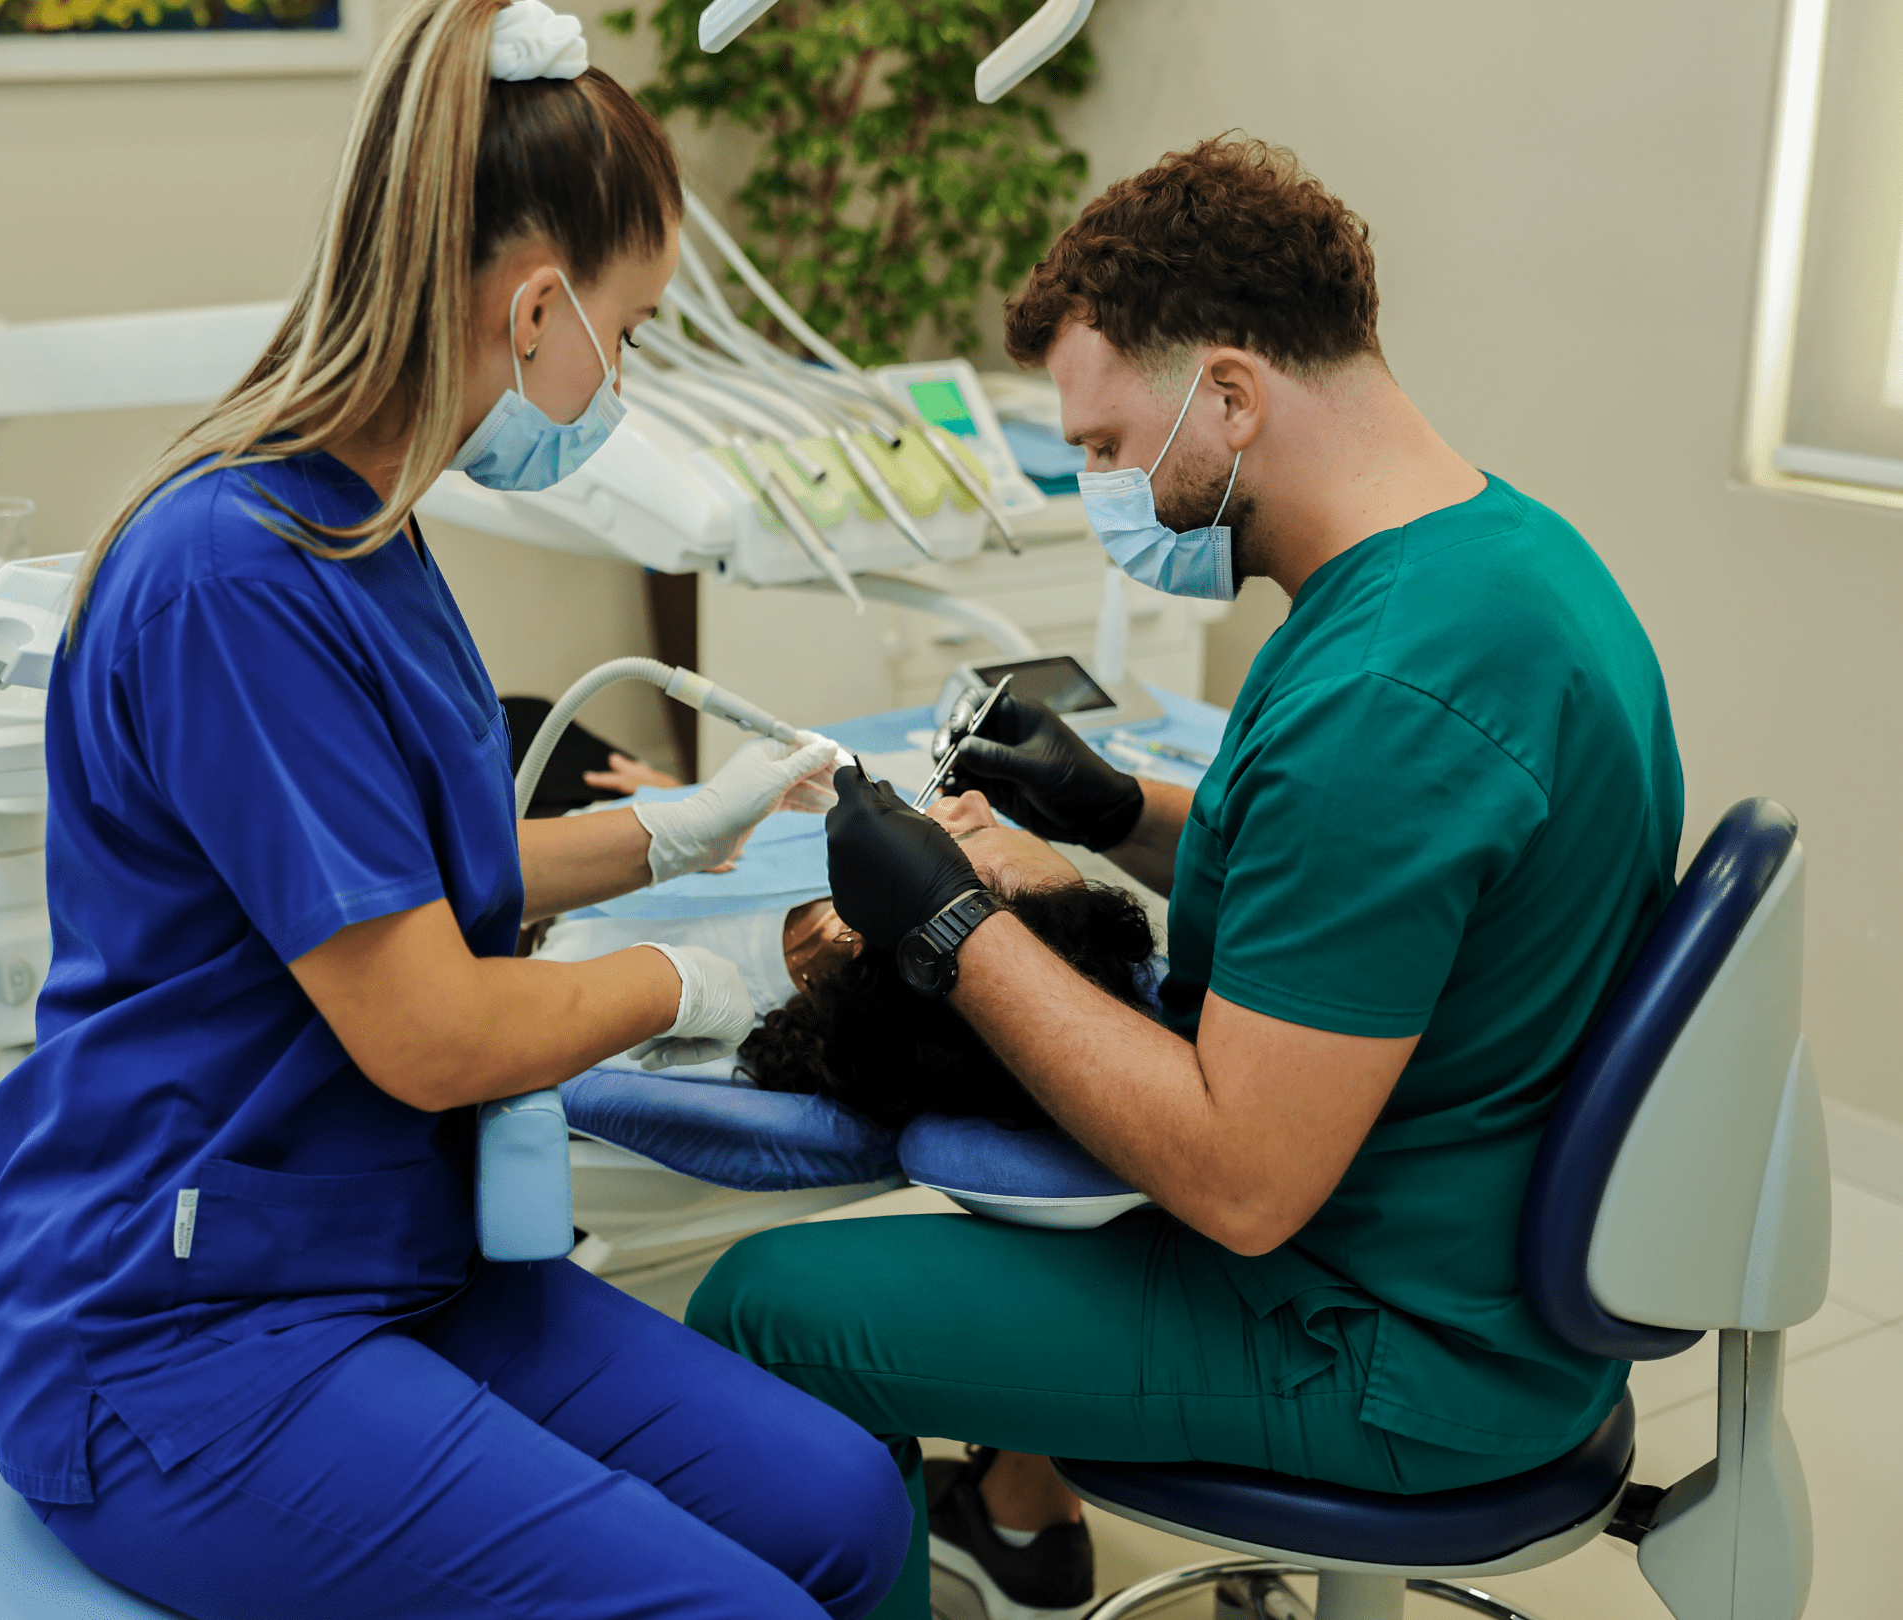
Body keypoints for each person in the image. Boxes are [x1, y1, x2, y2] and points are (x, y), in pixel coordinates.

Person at [0, 4, 909, 1617]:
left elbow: (386, 876)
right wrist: (708, 977)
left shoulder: (366, 523)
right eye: (637, 328)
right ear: (539, 307)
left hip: (382, 1246)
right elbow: (431, 1031)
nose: (631, 374)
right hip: (182, 1326)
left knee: (848, 1509)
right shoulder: (236, 576)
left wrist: (676, 831)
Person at [688, 135, 1684, 1620]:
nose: (1102, 486)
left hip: (1377, 1342)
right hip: (1473, 1257)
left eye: (1101, 448)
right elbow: (1346, 881)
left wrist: (952, 925)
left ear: (1228, 391)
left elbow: (1238, 1179)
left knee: (753, 1308)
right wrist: (1107, 806)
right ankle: (1014, 1520)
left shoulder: (1384, 703)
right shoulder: (1498, 563)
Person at [535, 788, 1161, 1129]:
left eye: (965, 837)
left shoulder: (687, 1019)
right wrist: (669, 804)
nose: (970, 798)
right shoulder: (826, 879)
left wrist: (644, 838)